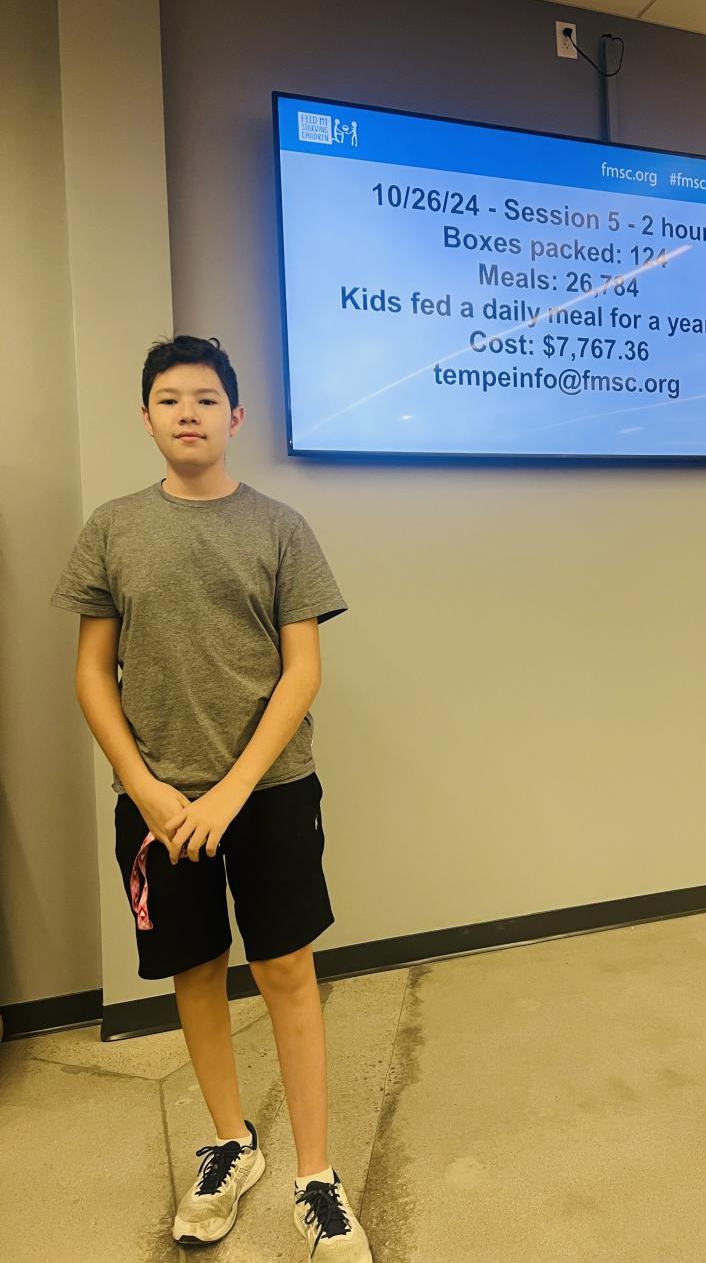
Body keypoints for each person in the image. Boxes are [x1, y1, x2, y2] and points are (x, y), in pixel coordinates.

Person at [49, 335, 373, 1262]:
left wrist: (231, 791)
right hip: (159, 804)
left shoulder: (281, 527)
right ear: (145, 417)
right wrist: (147, 788)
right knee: (195, 969)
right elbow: (92, 672)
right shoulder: (112, 528)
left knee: (287, 971)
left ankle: (317, 1175)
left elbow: (302, 671)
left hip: (269, 792)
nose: (186, 413)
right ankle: (233, 1143)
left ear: (235, 416)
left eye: (203, 399)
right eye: (168, 399)